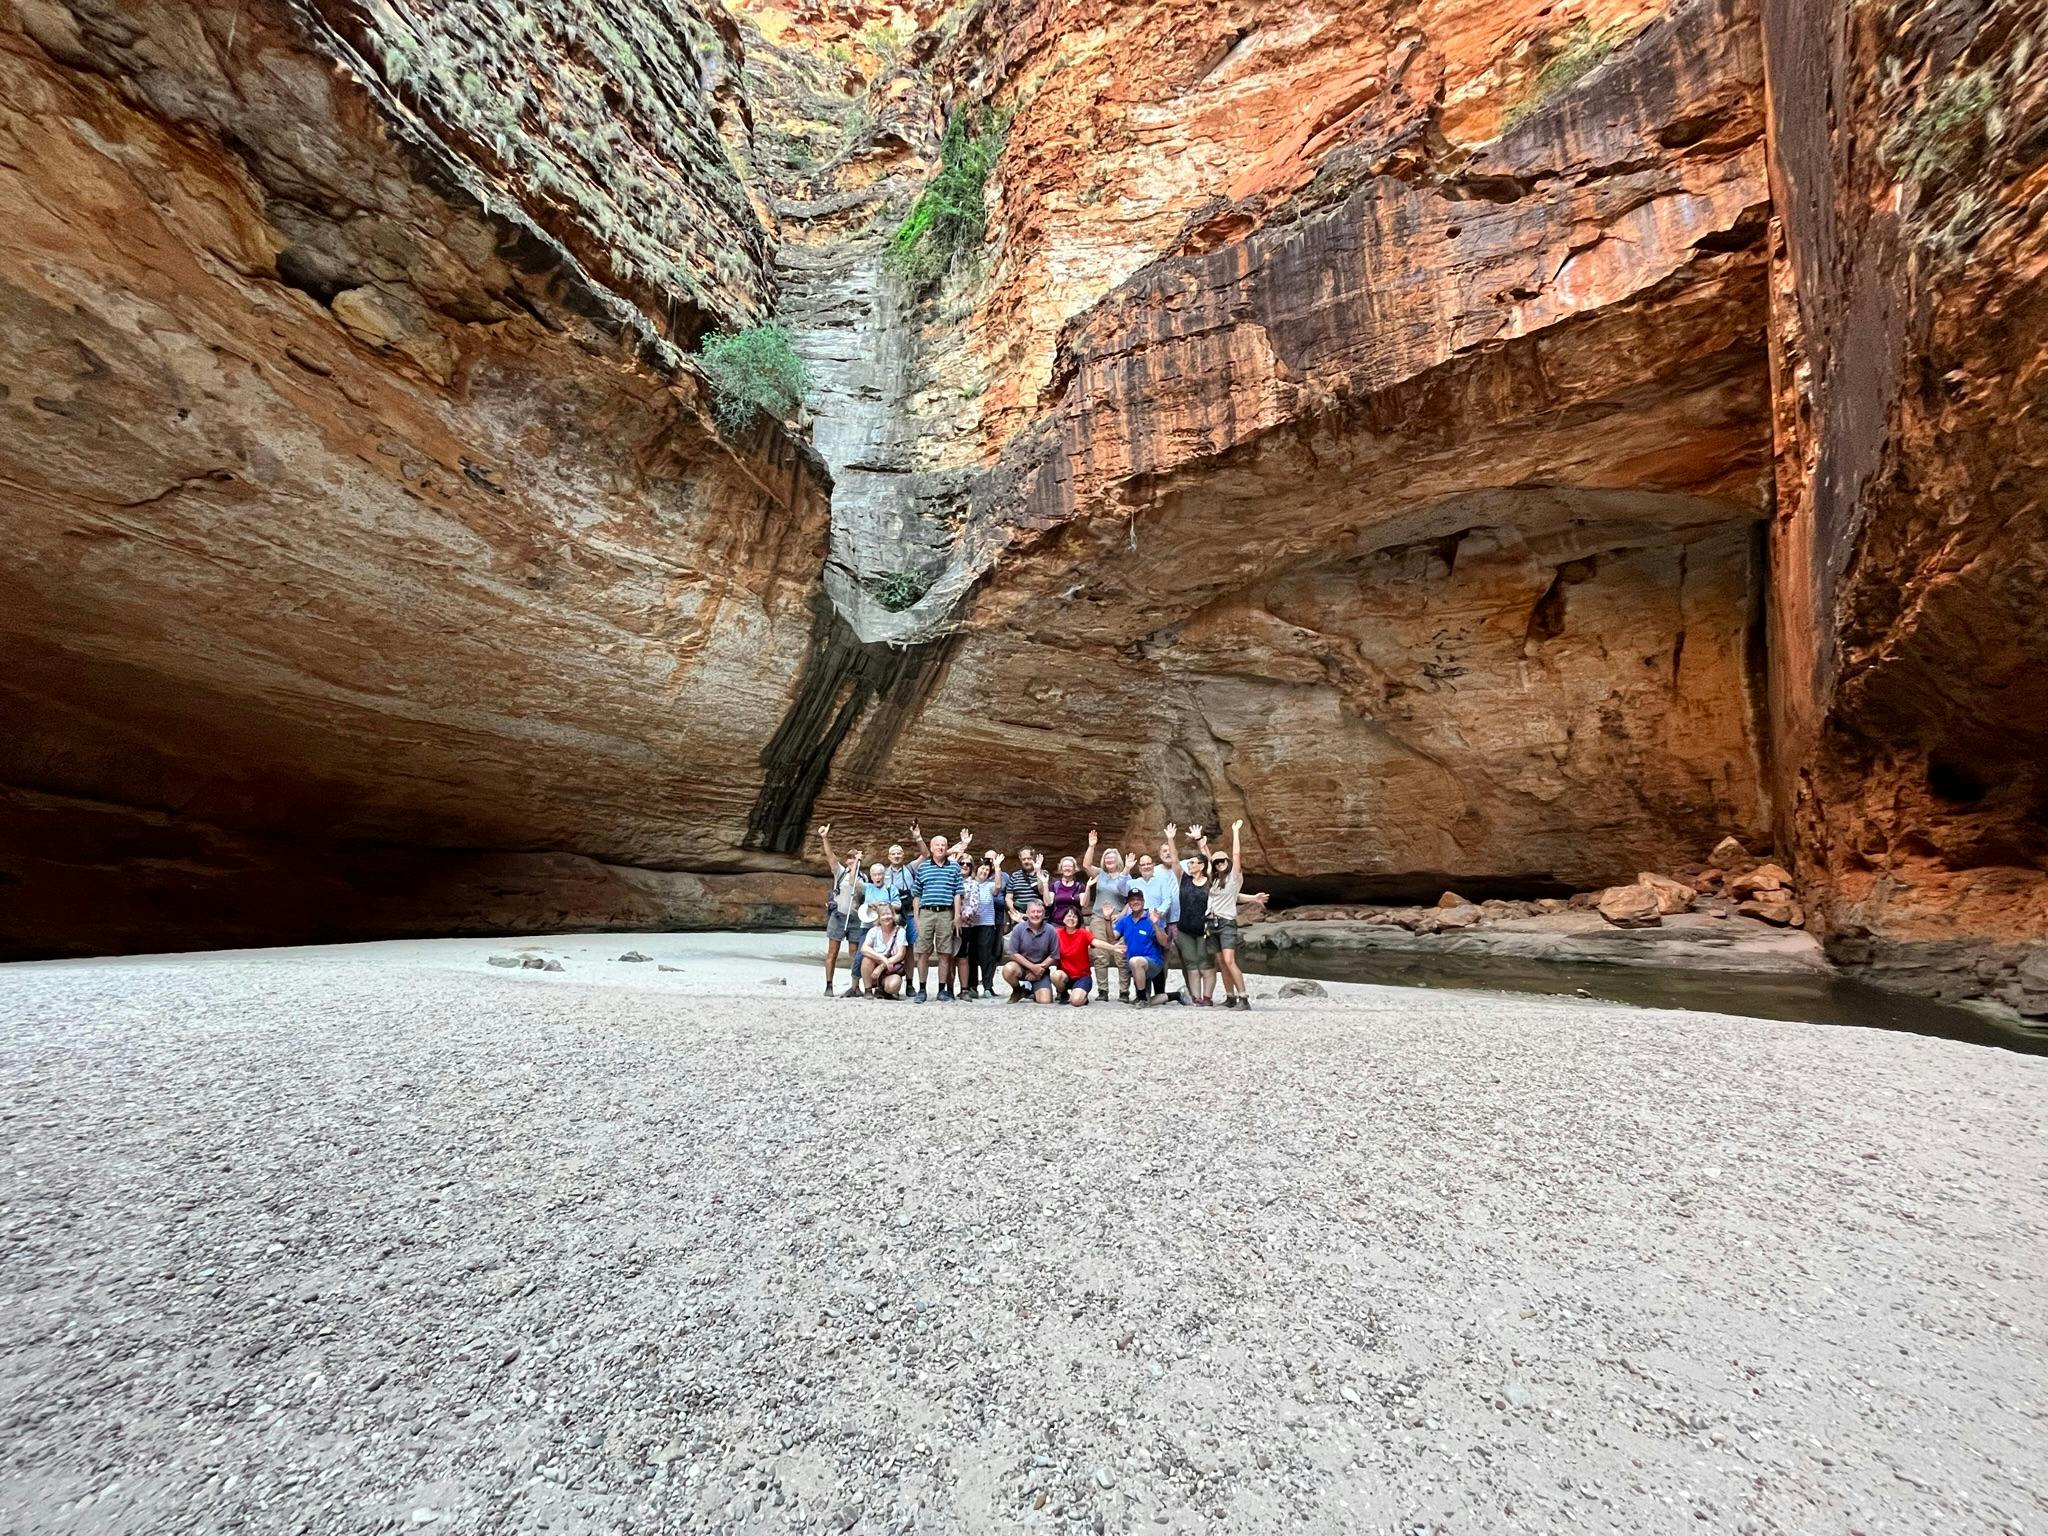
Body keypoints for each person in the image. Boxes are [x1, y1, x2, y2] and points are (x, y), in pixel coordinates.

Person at [906, 826, 967, 1002]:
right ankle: (922, 989)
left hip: (945, 913)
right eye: (937, 845)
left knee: (944, 952)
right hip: (926, 912)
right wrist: (916, 918)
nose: (940, 848)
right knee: (922, 952)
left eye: (943, 845)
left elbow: (957, 892)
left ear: (946, 848)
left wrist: (956, 916)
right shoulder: (923, 868)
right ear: (931, 848)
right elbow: (916, 894)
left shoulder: (954, 868)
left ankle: (942, 990)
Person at [1197, 820, 1252, 1010]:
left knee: (1229, 960)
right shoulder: (1215, 881)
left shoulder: (1234, 877)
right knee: (1221, 962)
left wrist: (1235, 831)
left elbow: (1237, 855)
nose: (1220, 864)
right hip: (1211, 924)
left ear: (1227, 862)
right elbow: (1207, 857)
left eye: (1223, 861)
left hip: (1226, 923)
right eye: (1217, 862)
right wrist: (1200, 843)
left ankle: (1243, 998)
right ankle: (1230, 997)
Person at [1081, 829, 1132, 1002]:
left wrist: (1123, 914)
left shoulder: (1125, 875)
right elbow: (1086, 866)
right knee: (1100, 955)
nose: (1109, 861)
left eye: (1112, 858)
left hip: (1119, 918)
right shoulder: (1100, 874)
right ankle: (1103, 991)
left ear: (1118, 861)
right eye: (1107, 858)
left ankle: (1124, 991)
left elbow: (1131, 899)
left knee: (1121, 955)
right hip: (1098, 917)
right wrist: (1091, 846)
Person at [816, 823, 866, 997]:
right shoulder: (841, 872)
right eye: (851, 858)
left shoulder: (863, 879)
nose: (854, 860)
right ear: (847, 861)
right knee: (833, 952)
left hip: (855, 918)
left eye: (856, 858)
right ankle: (829, 985)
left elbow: (859, 892)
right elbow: (830, 856)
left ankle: (854, 986)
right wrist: (825, 838)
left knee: (854, 953)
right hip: (838, 916)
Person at [1135, 826, 1182, 999]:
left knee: (1159, 956)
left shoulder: (1161, 880)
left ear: (1153, 866)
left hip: (1159, 923)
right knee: (1142, 955)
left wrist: (1159, 913)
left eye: (1149, 864)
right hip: (1139, 923)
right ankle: (1144, 993)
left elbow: (1167, 899)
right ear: (1139, 867)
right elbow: (1129, 900)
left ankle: (1160, 992)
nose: (1146, 866)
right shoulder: (1135, 883)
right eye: (1143, 865)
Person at [1175, 827, 1220, 1004]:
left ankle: (1207, 997)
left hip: (1204, 929)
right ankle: (1196, 997)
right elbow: (1174, 862)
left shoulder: (1210, 881)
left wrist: (1200, 841)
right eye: (1189, 863)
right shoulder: (1184, 879)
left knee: (1205, 963)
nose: (1189, 865)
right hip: (1185, 929)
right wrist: (1171, 839)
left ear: (1201, 866)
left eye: (1193, 863)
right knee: (1191, 963)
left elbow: (1210, 861)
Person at [1113, 887, 1167, 1006]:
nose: (1135, 902)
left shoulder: (1152, 918)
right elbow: (1112, 937)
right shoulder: (1125, 920)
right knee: (1150, 1001)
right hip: (1135, 968)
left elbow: (1164, 943)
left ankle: (1141, 998)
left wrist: (1155, 924)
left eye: (1138, 899)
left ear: (1143, 902)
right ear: (1129, 903)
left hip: (1153, 963)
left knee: (1135, 961)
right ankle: (1176, 995)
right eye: (1132, 900)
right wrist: (1107, 920)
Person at [957, 854, 1001, 1000]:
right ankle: (972, 986)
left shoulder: (989, 885)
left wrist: (997, 867)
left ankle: (988, 986)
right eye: (982, 869)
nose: (984, 872)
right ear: (976, 870)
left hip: (986, 924)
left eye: (987, 871)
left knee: (986, 956)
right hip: (970, 924)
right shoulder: (967, 883)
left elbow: (998, 887)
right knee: (971, 956)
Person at [1002, 898, 1059, 1003]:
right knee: (1008, 969)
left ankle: (1031, 990)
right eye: (1033, 912)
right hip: (1022, 968)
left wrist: (1038, 970)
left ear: (1043, 914)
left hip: (1041, 971)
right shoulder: (1018, 929)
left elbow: (1054, 955)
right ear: (1027, 913)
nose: (1036, 915)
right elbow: (1013, 953)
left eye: (1039, 912)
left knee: (1045, 1001)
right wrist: (1032, 968)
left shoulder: (1051, 930)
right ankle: (1018, 990)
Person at [859, 907, 910, 998]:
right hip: (875, 966)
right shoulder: (873, 931)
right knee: (867, 959)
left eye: (889, 914)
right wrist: (882, 958)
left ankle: (883, 989)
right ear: (879, 918)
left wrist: (882, 966)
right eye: (883, 915)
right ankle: (868, 989)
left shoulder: (900, 931)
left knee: (893, 985)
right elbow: (864, 948)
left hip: (891, 968)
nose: (886, 917)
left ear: (894, 916)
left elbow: (900, 954)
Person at [1053, 906, 1094, 1007]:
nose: (1071, 918)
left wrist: (1113, 947)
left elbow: (1096, 942)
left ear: (1078, 920)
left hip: (1082, 977)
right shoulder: (1056, 932)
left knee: (1076, 1002)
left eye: (1075, 916)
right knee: (1056, 976)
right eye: (1069, 915)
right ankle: (1063, 993)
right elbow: (1042, 932)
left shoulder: (1083, 933)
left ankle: (1082, 996)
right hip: (1065, 976)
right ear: (1063, 919)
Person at [1003, 846, 1048, 928]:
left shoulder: (1043, 874)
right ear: (1020, 860)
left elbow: (1042, 891)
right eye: (1024, 859)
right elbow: (1008, 898)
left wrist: (1038, 871)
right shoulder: (1015, 876)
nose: (1026, 861)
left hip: (1037, 917)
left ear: (1034, 858)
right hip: (1019, 917)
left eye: (1029, 858)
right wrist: (1016, 912)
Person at [1046, 856, 1087, 929]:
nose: (1067, 868)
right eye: (1065, 866)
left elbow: (1083, 904)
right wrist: (1044, 884)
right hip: (1057, 923)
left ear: (1075, 869)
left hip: (1075, 923)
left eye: (1070, 866)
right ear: (1061, 869)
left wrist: (1089, 887)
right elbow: (1048, 902)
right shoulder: (1055, 885)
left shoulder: (1080, 886)